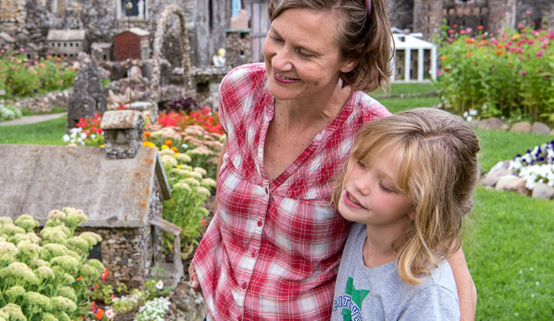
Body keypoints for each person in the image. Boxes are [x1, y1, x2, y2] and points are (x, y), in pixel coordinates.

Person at [188, 0, 478, 320]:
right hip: (220, 309)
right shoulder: (240, 88)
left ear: (351, 58)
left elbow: (441, 242)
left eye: (305, 53)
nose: (280, 61)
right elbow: (231, 160)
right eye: (276, 38)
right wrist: (212, 245)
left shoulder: (373, 138)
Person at [330, 108, 479, 320]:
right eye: (362, 163)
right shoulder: (363, 231)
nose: (360, 184)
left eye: (386, 186)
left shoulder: (426, 295)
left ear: (420, 207)